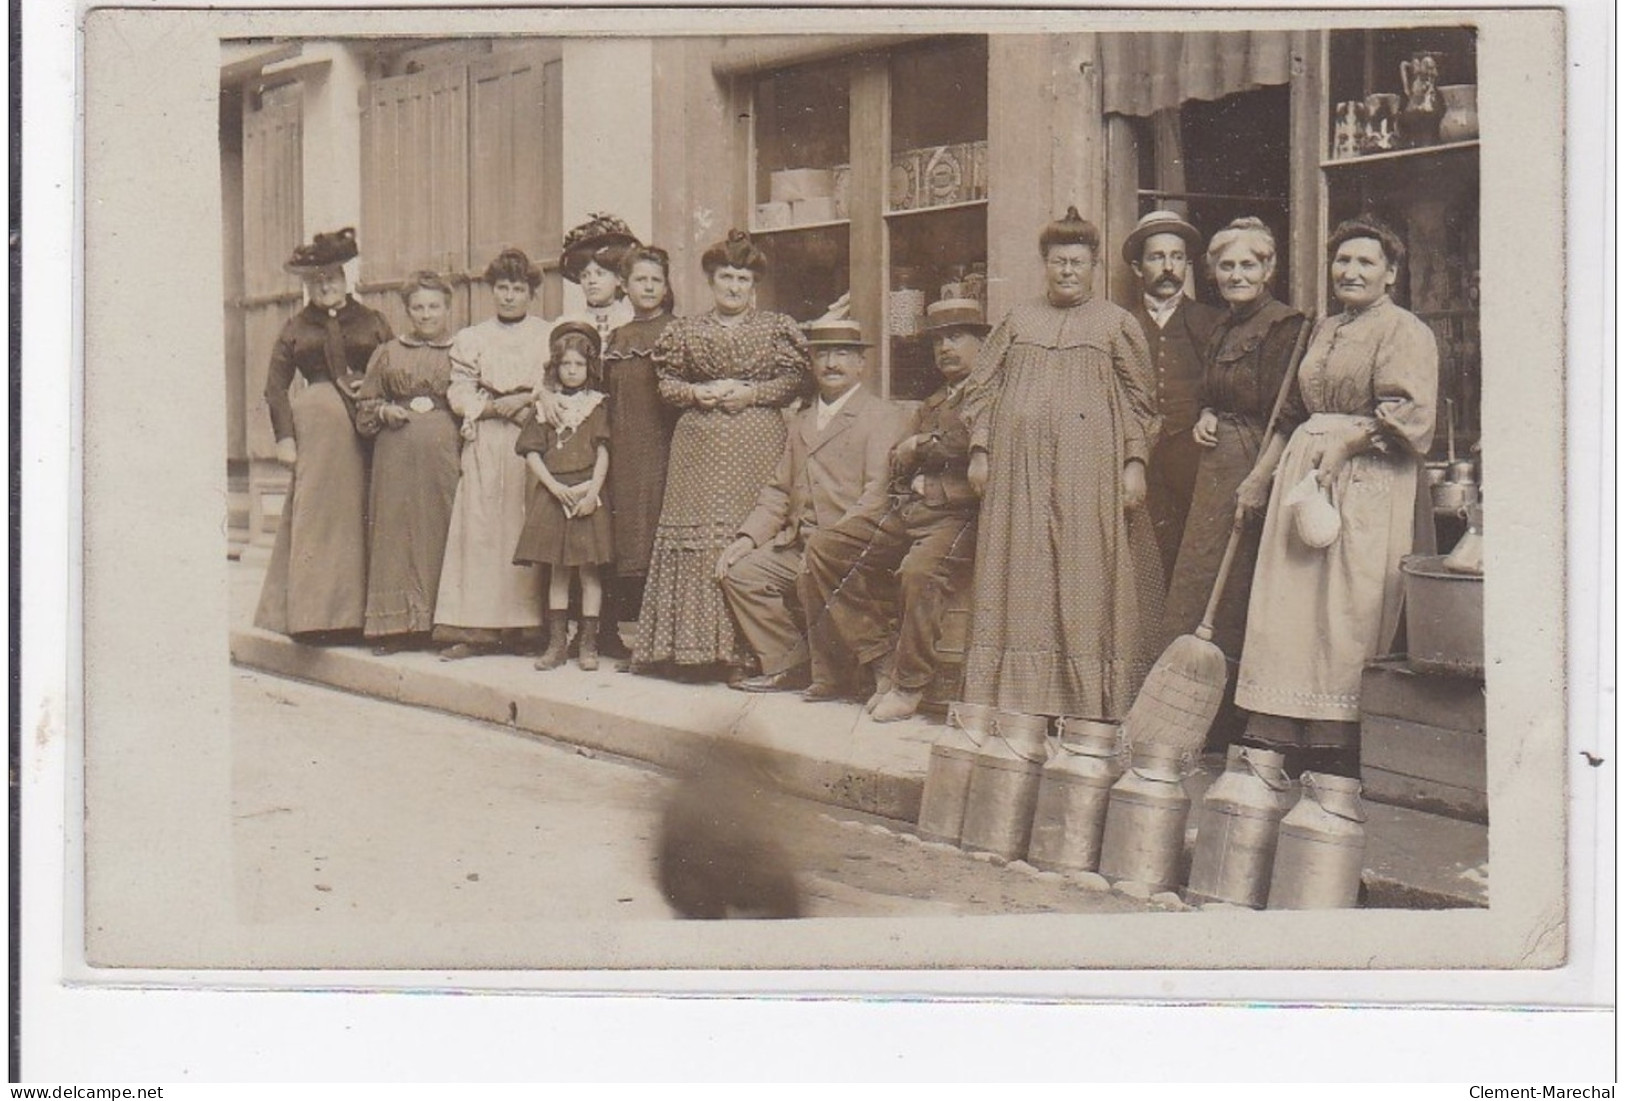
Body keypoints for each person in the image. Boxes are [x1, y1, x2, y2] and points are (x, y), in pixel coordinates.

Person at [1234, 215, 1439, 778]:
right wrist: (1260, 476)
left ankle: (1333, 740)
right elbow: (1293, 411)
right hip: (1308, 472)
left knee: (1347, 603)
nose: (1350, 271)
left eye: (1365, 262)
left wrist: (1347, 445)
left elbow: (1411, 416)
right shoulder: (1323, 329)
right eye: (1342, 261)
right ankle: (1278, 729)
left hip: (1368, 475)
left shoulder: (1405, 330)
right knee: (1291, 602)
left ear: (1391, 273)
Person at [958, 206, 1164, 722]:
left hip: (1089, 472)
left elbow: (1141, 403)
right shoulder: (1017, 319)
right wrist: (981, 450)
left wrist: (1134, 463)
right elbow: (980, 389)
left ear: (1094, 264)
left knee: (1084, 577)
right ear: (1044, 264)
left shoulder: (1117, 324)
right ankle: (1018, 703)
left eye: (1077, 261)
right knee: (1019, 575)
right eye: (1057, 262)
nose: (1067, 271)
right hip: (1017, 474)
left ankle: (1087, 705)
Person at [798, 298, 988, 722]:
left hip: (961, 518)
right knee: (825, 549)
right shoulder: (934, 401)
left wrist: (919, 448)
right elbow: (898, 462)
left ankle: (909, 684)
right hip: (913, 511)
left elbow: (968, 445)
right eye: (938, 340)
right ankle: (881, 657)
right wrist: (910, 470)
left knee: (919, 572)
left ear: (981, 343)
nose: (946, 348)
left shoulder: (991, 393)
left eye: (956, 337)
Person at [632, 230, 810, 680]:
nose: (734, 287)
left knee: (745, 534)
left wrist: (752, 392)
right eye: (726, 277)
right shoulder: (685, 330)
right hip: (698, 446)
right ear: (711, 281)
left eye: (744, 279)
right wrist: (696, 391)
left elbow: (793, 382)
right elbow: (666, 385)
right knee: (698, 538)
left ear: (754, 285)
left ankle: (743, 654)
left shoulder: (776, 328)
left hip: (757, 443)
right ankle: (689, 651)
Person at [1159, 218, 1309, 748]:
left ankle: (1238, 726)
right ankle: (1192, 719)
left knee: (1241, 589)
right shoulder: (1222, 326)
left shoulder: (1285, 326)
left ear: (1269, 268)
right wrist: (1204, 411)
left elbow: (1286, 414)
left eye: (1248, 264)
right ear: (1213, 273)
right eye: (1227, 266)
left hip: (1253, 468)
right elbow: (1213, 391)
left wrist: (1259, 479)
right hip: (1214, 471)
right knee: (1199, 588)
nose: (1237, 274)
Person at [717, 318, 908, 695]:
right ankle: (790, 662)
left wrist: (831, 545)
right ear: (811, 363)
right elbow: (778, 491)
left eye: (842, 354)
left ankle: (834, 676)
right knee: (741, 573)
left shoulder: (883, 417)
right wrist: (747, 538)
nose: (831, 363)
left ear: (860, 364)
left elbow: (876, 496)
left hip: (851, 547)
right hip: (798, 543)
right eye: (822, 354)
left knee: (812, 572)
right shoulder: (801, 420)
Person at [254, 227, 394, 641]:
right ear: (305, 285)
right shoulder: (296, 327)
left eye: (331, 277)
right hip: (319, 435)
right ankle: (315, 617)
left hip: (366, 426)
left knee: (363, 513)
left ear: (345, 277)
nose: (325, 286)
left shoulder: (372, 321)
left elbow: (392, 367)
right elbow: (275, 387)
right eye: (316, 281)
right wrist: (285, 438)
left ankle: (364, 618)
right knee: (320, 518)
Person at [433, 248, 552, 659]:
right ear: (492, 290)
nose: (508, 296)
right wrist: (487, 407)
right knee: (481, 528)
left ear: (531, 292)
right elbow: (458, 387)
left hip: (528, 437)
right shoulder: (473, 338)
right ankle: (477, 628)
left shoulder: (546, 335)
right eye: (502, 287)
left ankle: (526, 628)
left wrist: (523, 403)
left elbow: (553, 385)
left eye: (518, 288)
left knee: (523, 523)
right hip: (486, 436)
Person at [352, 271, 462, 653]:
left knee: (442, 527)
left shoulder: (461, 350)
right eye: (418, 307)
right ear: (407, 310)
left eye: (434, 306)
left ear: (448, 308)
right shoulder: (387, 353)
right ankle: (393, 626)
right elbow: (365, 405)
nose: (426, 314)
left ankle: (441, 624)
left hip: (443, 457)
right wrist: (384, 412)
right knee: (394, 531)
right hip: (395, 456)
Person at [1123, 210, 1224, 578]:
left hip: (1193, 454)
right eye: (1156, 257)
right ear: (1137, 268)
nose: (1168, 267)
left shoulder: (1211, 322)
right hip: (1138, 457)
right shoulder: (1121, 324)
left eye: (1177, 257)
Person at [513, 322, 614, 672]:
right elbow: (531, 452)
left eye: (580, 365)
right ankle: (557, 643)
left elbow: (604, 452)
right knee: (557, 572)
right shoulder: (546, 407)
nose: (572, 371)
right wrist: (553, 487)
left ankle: (587, 644)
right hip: (555, 494)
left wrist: (593, 492)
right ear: (556, 367)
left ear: (590, 368)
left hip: (587, 494)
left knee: (589, 573)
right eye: (566, 364)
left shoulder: (597, 405)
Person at [598, 246, 679, 669]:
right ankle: (608, 632)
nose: (648, 287)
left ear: (666, 287)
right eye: (640, 280)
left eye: (656, 280)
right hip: (622, 449)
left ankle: (657, 640)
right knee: (618, 534)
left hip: (664, 447)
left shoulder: (678, 331)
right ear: (625, 287)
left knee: (656, 535)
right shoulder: (617, 337)